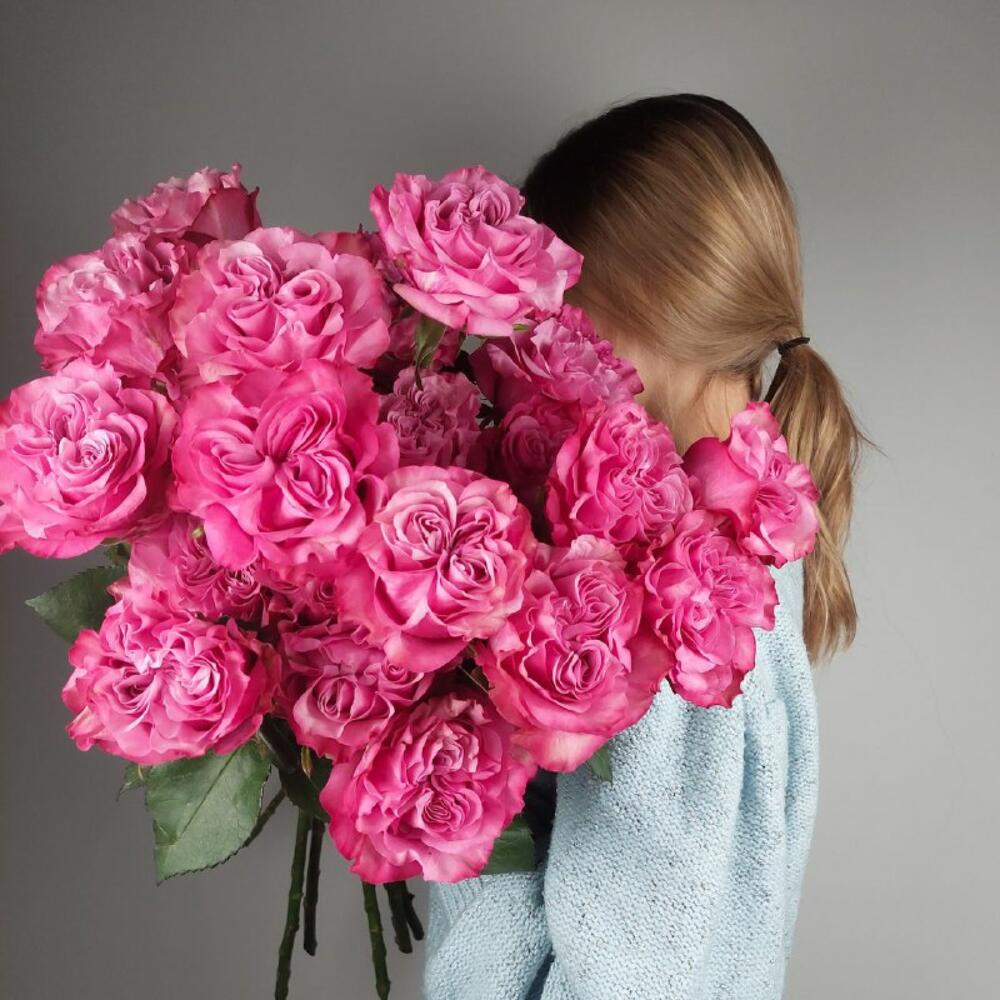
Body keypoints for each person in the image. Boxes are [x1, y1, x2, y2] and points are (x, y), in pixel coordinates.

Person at [422, 94, 864, 1000]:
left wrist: (462, 786)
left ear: (650, 305)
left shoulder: (684, 624)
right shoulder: (722, 576)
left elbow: (633, 975)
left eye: (554, 313)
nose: (529, 355)